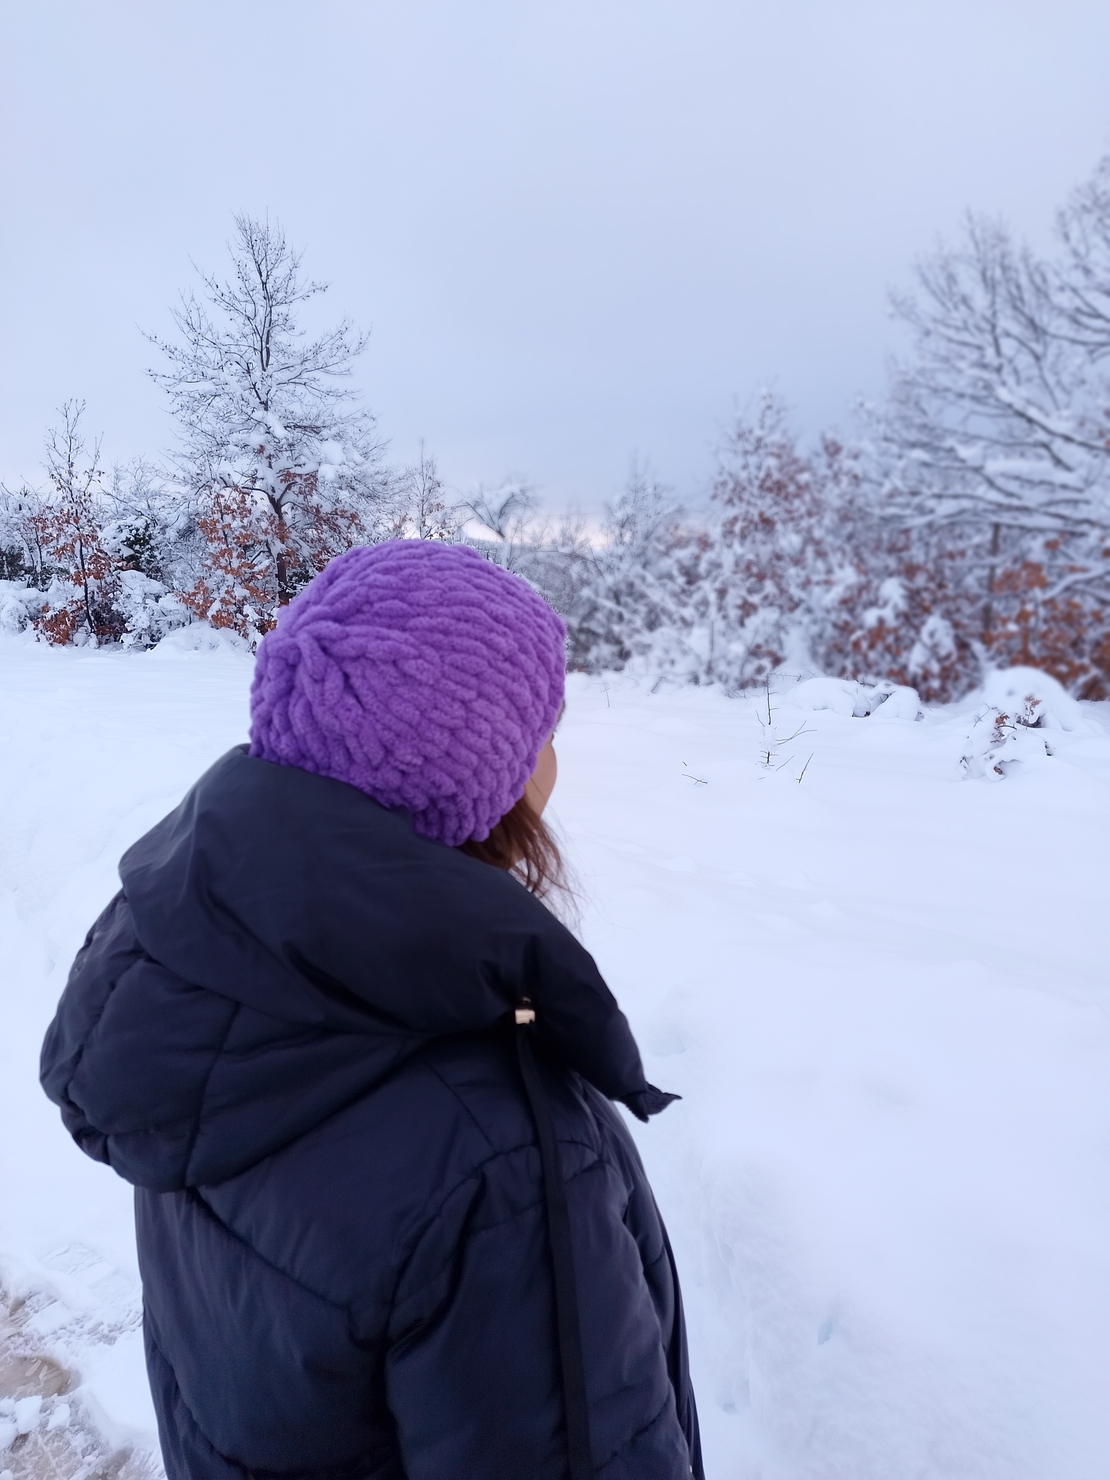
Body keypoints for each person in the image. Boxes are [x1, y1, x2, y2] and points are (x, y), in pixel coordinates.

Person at [40, 540, 704, 1480]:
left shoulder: (195, 972)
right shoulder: (496, 1153)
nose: (555, 756)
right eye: (544, 726)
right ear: (478, 769)